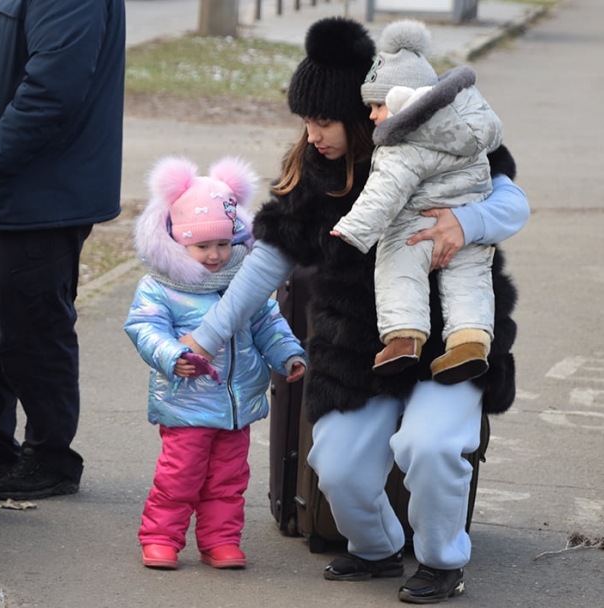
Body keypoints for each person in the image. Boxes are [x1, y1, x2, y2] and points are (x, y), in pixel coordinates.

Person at [180, 17, 528, 604]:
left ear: (363, 109)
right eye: (306, 120)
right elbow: (266, 266)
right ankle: (378, 548)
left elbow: (512, 199)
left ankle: (443, 562)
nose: (312, 133)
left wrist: (464, 222)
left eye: (323, 120)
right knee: (335, 465)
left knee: (430, 445)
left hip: (449, 341)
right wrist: (205, 338)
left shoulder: (444, 132)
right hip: (359, 349)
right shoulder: (319, 173)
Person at [0, 0, 126, 500]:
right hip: (6, 187)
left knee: (31, 330)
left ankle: (51, 458)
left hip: (41, 190)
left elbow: (54, 86)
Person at [124, 156, 306, 570]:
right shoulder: (161, 287)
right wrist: (173, 355)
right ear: (177, 241)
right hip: (187, 405)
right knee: (179, 478)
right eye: (202, 245)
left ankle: (220, 540)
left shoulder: (243, 283)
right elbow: (144, 328)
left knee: (228, 482)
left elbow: (268, 322)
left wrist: (288, 353)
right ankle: (161, 538)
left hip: (236, 408)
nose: (215, 255)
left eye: (223, 244)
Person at [330, 20, 504, 385]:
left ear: (403, 100)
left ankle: (404, 336)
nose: (373, 116)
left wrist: (351, 231)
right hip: (469, 225)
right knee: (470, 280)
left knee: (396, 265)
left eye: (378, 105)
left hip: (415, 225)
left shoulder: (403, 146)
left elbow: (384, 192)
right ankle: (469, 343)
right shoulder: (471, 124)